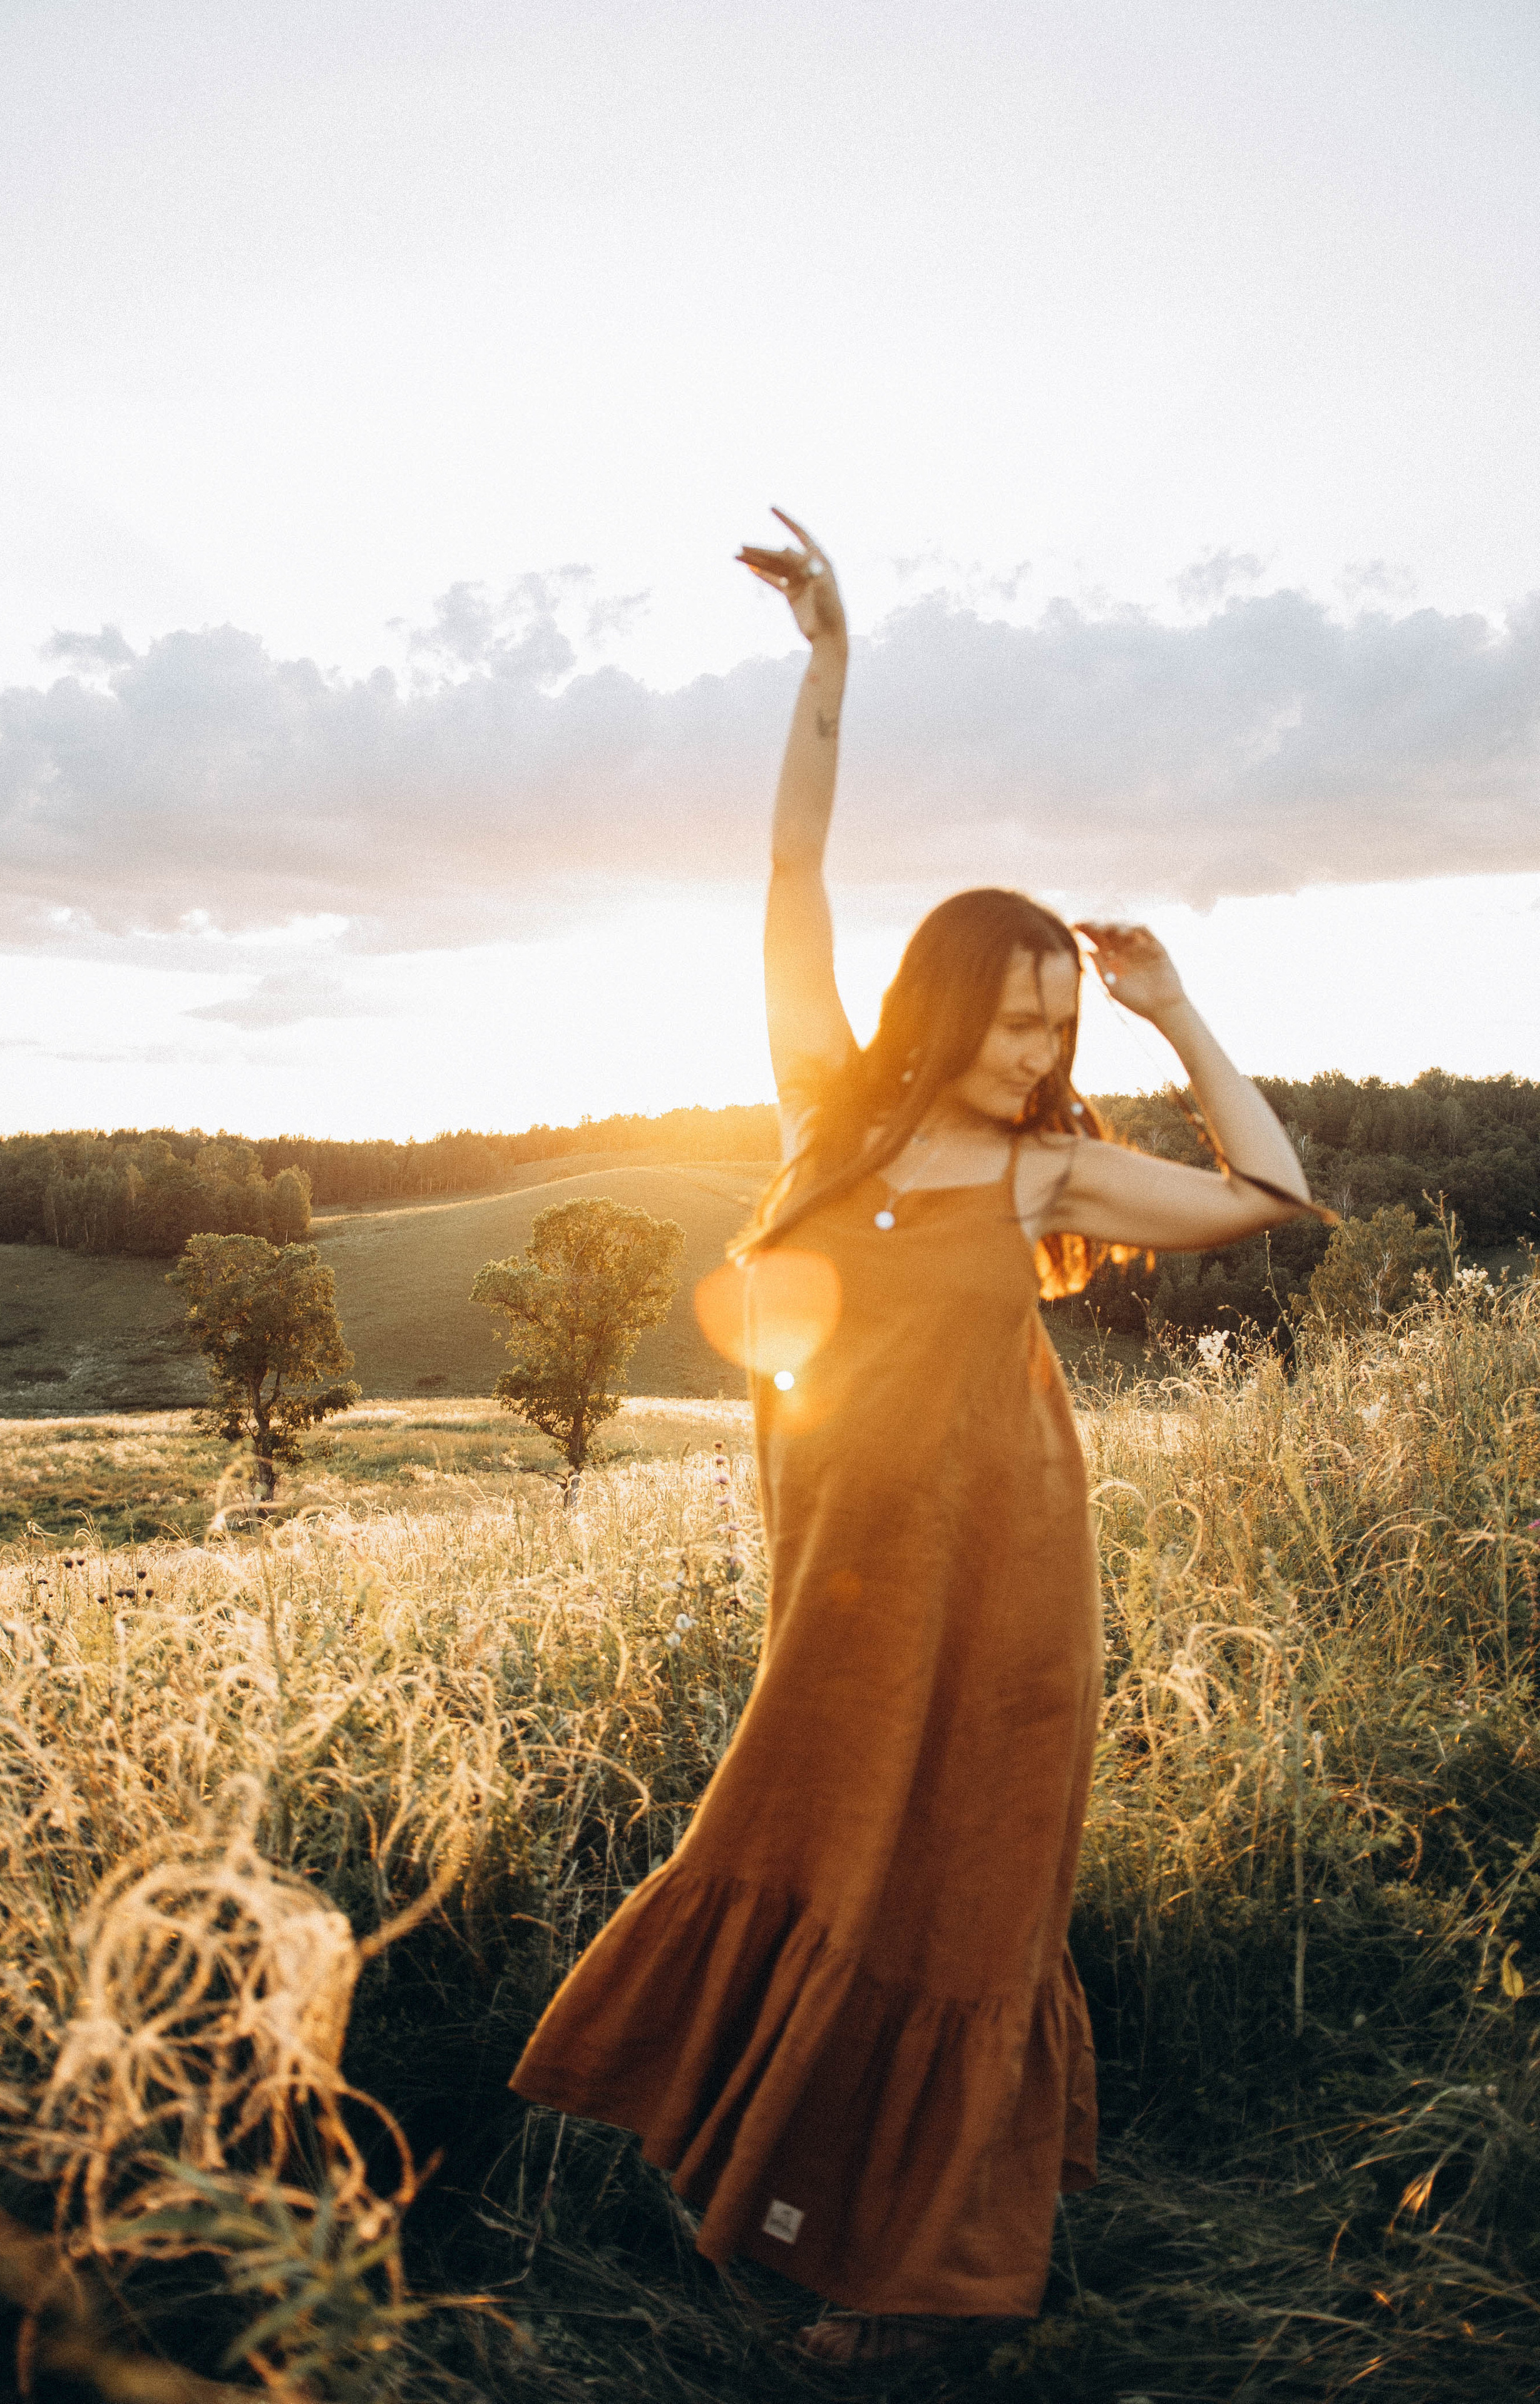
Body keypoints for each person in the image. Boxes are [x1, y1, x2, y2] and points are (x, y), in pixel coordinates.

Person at [509, 515, 1322, 2362]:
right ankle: (783, 2188)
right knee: (809, 1854)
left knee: (961, 1900)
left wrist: (1173, 1010)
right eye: (1018, 1020)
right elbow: (792, 871)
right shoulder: (827, 1116)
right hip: (840, 1583)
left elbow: (1271, 1193)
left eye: (1058, 1027)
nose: (1038, 1053)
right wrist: (829, 667)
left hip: (1003, 1587)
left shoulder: (1049, 1169)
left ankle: (922, 2278)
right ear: (945, 1002)